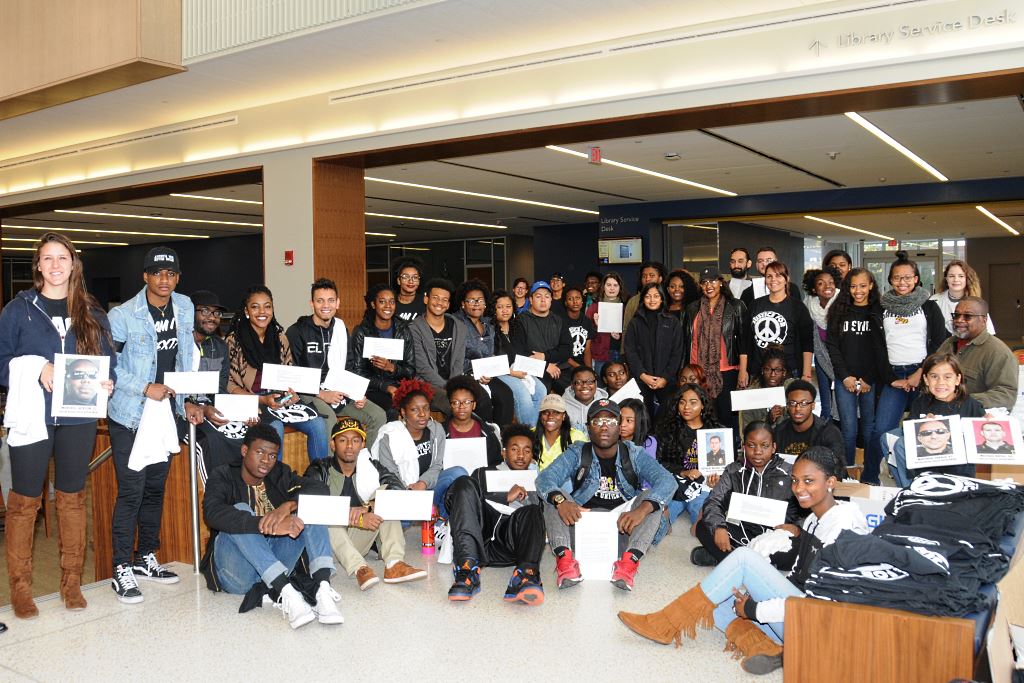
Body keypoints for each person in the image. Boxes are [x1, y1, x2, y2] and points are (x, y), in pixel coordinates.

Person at [618, 447, 868, 676]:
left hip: (824, 630)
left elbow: (821, 605)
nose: (799, 488)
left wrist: (755, 609)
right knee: (719, 601)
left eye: (809, 481)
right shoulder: (815, 519)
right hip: (803, 621)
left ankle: (667, 623)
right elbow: (799, 577)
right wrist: (756, 595)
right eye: (795, 480)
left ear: (831, 482)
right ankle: (769, 649)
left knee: (744, 561)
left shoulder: (842, 525)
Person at [0, 233, 116, 618]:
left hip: (78, 417)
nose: (54, 265)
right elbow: (2, 365)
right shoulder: (18, 310)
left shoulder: (92, 312)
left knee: (72, 498)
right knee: (24, 503)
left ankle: (71, 583)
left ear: (73, 264)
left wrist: (107, 381)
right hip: (33, 417)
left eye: (61, 258)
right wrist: (37, 367)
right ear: (37, 265)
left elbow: (106, 361)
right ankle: (20, 588)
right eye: (47, 258)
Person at [106, 246, 200, 603]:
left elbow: (188, 354)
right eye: (158, 274)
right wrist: (145, 387)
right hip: (131, 411)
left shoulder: (185, 306)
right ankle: (120, 566)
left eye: (171, 274)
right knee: (132, 489)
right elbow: (110, 365)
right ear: (145, 276)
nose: (165, 280)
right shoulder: (123, 315)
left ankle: (146, 555)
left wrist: (190, 397)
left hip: (167, 412)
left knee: (155, 489)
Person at [199, 424, 343, 629]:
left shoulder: (277, 473)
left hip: (276, 561)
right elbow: (213, 514)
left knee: (309, 506)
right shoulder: (223, 475)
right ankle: (287, 592)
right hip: (238, 574)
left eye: (272, 455)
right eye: (260, 452)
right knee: (239, 509)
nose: (266, 461)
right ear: (244, 450)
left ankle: (322, 589)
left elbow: (319, 487)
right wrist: (265, 525)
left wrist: (288, 506)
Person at [536, 398, 677, 591]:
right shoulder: (578, 451)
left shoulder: (633, 453)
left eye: (610, 422)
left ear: (619, 427)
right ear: (588, 428)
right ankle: (565, 561)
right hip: (583, 528)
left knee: (653, 499)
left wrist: (642, 511)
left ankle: (628, 563)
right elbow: (545, 479)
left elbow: (668, 481)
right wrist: (561, 501)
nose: (604, 427)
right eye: (597, 422)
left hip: (624, 529)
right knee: (553, 495)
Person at [305, 417, 426, 590]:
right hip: (327, 546)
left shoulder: (372, 467)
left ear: (362, 445)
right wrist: (351, 515)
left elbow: (397, 488)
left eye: (355, 441)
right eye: (343, 440)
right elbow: (309, 506)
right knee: (324, 514)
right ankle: (360, 568)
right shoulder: (320, 469)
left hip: (357, 541)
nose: (349, 446)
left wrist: (371, 505)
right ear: (332, 445)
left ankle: (394, 563)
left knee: (385, 497)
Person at [226, 285, 330, 464]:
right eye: (255, 306)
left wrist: (291, 394)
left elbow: (289, 372)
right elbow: (229, 384)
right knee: (275, 428)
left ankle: (319, 479)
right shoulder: (233, 340)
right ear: (246, 310)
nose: (262, 312)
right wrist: (261, 400)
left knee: (318, 424)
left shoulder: (280, 338)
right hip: (251, 402)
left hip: (277, 400)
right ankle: (275, 483)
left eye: (267, 306)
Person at [444, 424, 546, 604]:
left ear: (532, 456)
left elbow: (538, 523)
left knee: (533, 511)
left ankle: (526, 575)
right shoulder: (483, 473)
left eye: (526, 451)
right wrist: (504, 497)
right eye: (514, 449)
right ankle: (467, 572)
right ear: (504, 453)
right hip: (476, 541)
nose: (521, 455)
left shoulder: (537, 482)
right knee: (463, 482)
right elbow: (461, 504)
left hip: (510, 546)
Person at [873, 252, 949, 483]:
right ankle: (884, 479)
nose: (902, 282)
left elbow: (938, 343)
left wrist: (920, 373)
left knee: (925, 430)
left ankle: (926, 480)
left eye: (907, 277)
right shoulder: (880, 308)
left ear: (916, 279)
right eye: (897, 278)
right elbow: (877, 348)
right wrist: (891, 379)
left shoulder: (929, 306)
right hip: (894, 376)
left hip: (923, 375)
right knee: (882, 430)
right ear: (890, 280)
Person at [286, 278, 387, 448]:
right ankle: (333, 472)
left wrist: (356, 393)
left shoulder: (340, 328)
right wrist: (321, 393)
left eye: (331, 300)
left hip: (339, 389)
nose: (326, 305)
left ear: (338, 303)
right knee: (329, 419)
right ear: (312, 303)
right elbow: (293, 373)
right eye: (320, 300)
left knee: (378, 415)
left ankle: (366, 466)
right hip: (308, 393)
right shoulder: (297, 331)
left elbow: (349, 365)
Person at [692, 421, 798, 567]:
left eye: (765, 446)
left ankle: (726, 558)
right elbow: (714, 501)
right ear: (744, 446)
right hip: (741, 533)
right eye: (751, 445)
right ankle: (747, 562)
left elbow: (808, 508)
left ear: (773, 447)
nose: (758, 451)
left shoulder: (790, 473)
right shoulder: (734, 470)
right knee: (703, 526)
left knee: (800, 549)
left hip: (776, 537)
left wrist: (797, 527)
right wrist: (719, 527)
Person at [826, 268, 890, 473]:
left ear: (871, 286)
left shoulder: (880, 311)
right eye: (853, 286)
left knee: (869, 429)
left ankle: (870, 472)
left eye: (863, 286)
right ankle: (849, 472)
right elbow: (833, 347)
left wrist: (868, 379)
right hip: (845, 379)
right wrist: (844, 377)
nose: (858, 291)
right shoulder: (838, 310)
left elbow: (883, 349)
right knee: (849, 429)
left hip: (870, 381)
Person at [886, 353, 984, 487]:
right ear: (926, 380)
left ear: (957, 379)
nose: (940, 382)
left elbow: (981, 438)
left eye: (947, 377)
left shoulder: (971, 405)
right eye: (934, 376)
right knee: (897, 442)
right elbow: (908, 432)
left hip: (959, 475)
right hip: (925, 473)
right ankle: (910, 489)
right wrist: (920, 425)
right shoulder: (920, 403)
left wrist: (989, 421)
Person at [370, 379, 462, 520]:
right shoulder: (389, 437)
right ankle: (422, 515)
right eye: (414, 409)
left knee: (459, 473)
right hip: (403, 494)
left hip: (427, 488)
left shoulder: (436, 429)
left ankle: (437, 525)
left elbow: (437, 465)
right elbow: (390, 476)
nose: (422, 414)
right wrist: (413, 494)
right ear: (403, 412)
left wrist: (422, 484)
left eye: (425, 408)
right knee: (401, 520)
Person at [187, 289, 244, 479]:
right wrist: (203, 409)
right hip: (183, 412)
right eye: (204, 311)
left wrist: (243, 411)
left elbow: (220, 388)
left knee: (245, 431)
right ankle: (215, 497)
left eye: (216, 313)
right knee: (211, 441)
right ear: (190, 312)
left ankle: (239, 493)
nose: (211, 317)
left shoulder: (219, 346)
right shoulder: (179, 344)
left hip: (211, 408)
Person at [681, 266, 748, 428]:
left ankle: (730, 451)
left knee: (727, 417)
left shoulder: (736, 306)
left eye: (712, 281)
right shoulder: (692, 309)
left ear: (720, 283)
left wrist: (743, 371)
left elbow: (744, 342)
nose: (708, 285)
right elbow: (686, 342)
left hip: (728, 371)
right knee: (703, 418)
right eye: (704, 282)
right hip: (698, 372)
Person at [934, 297, 1019, 411]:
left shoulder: (998, 352)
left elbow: (1006, 395)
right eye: (956, 315)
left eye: (968, 316)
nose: (959, 320)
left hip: (975, 419)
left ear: (984, 321)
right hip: (940, 414)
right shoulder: (948, 344)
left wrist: (961, 400)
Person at [655, 384, 720, 533]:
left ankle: (701, 521)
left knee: (700, 507)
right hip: (677, 482)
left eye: (693, 402)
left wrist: (715, 478)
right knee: (663, 514)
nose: (686, 407)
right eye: (682, 402)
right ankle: (663, 520)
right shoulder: (669, 430)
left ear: (703, 405)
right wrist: (683, 472)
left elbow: (724, 465)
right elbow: (659, 463)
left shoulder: (715, 432)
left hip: (704, 485)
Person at [347, 284, 415, 417]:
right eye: (382, 302)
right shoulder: (362, 332)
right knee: (391, 410)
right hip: (372, 388)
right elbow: (358, 373)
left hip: (399, 386)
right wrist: (385, 387)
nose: (388, 306)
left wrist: (392, 368)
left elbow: (411, 371)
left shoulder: (403, 330)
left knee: (418, 404)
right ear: (373, 304)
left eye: (392, 302)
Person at [452, 279, 512, 424]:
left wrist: (489, 372)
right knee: (483, 402)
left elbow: (490, 354)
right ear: (463, 303)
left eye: (480, 300)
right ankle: (487, 438)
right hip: (466, 374)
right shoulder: (455, 323)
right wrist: (475, 373)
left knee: (506, 394)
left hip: (487, 374)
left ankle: (501, 438)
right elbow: (456, 357)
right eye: (471, 300)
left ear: (485, 303)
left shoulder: (489, 323)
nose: (477, 303)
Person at [408, 278, 467, 415]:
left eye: (445, 300)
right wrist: (448, 387)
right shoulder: (414, 329)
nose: (440, 303)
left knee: (480, 398)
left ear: (448, 304)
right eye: (435, 298)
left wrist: (455, 385)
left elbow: (459, 362)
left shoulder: (459, 328)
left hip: (454, 382)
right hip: (426, 383)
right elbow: (422, 367)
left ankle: (487, 431)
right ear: (426, 299)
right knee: (454, 404)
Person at [746, 261, 813, 380]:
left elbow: (807, 343)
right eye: (769, 276)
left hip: (790, 371)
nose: (773, 280)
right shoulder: (754, 305)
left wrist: (806, 374)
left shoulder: (798, 307)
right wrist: (743, 370)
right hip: (758, 371)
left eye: (778, 275)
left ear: (787, 278)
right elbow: (745, 341)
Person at [624, 282, 684, 414]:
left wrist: (665, 378)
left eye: (656, 296)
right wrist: (643, 375)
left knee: (667, 417)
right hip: (642, 380)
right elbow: (630, 351)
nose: (652, 300)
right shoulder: (635, 323)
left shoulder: (672, 322)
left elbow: (677, 351)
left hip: (666, 381)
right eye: (648, 296)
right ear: (643, 299)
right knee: (643, 418)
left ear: (662, 298)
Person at [491, 289, 546, 425]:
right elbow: (490, 360)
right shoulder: (489, 328)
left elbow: (524, 351)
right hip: (501, 372)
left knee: (541, 390)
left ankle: (535, 429)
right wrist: (512, 372)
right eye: (500, 307)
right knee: (523, 394)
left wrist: (535, 364)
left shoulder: (516, 326)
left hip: (520, 368)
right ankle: (529, 433)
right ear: (493, 309)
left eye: (508, 306)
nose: (505, 310)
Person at [517, 280, 572, 387]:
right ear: (531, 300)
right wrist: (544, 365)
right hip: (533, 370)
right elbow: (520, 351)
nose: (543, 300)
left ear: (551, 299)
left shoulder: (558, 320)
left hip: (559, 368)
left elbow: (567, 349)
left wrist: (544, 356)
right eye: (538, 296)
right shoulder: (521, 320)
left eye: (547, 296)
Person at [772, 381, 844, 460]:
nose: (798, 408)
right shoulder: (779, 432)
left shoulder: (829, 432)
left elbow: (837, 466)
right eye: (793, 403)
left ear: (813, 406)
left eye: (804, 403)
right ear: (787, 406)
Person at [443, 375, 503, 469]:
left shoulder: (488, 432)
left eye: (467, 402)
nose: (461, 406)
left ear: (474, 405)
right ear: (450, 405)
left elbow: (496, 463)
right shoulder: (440, 432)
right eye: (456, 402)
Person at [802, 268, 837, 422]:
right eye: (821, 283)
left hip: (840, 360)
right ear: (814, 288)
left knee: (840, 398)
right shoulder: (809, 304)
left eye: (831, 282)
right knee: (825, 399)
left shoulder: (842, 302)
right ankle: (825, 425)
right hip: (821, 358)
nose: (827, 286)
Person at [931, 260, 994, 335]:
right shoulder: (934, 300)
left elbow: (989, 333)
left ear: (967, 279)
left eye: (961, 276)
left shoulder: (976, 304)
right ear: (946, 278)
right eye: (951, 276)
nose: (956, 280)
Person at [736, 346, 790, 434]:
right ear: (762, 370)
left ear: (784, 373)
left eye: (778, 370)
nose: (773, 374)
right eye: (768, 369)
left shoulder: (790, 391)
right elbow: (746, 431)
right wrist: (768, 419)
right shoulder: (750, 394)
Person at [586, 272, 627, 376]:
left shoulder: (626, 308)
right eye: (608, 285)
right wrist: (595, 326)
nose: (612, 288)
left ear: (620, 287)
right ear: (603, 287)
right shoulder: (594, 308)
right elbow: (585, 334)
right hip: (600, 354)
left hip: (620, 354)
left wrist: (620, 336)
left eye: (615, 285)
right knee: (600, 385)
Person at [740, 247, 802, 311]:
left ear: (776, 262)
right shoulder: (747, 292)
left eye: (768, 260)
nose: (764, 264)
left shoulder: (792, 288)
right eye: (760, 261)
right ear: (756, 265)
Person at [534, 394, 587, 469]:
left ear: (564, 416)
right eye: (546, 412)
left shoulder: (576, 436)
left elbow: (586, 465)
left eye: (556, 412)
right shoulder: (530, 435)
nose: (550, 416)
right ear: (540, 415)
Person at [561, 286, 595, 391]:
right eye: (571, 299)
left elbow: (587, 350)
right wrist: (579, 368)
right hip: (565, 365)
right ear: (566, 302)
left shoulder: (587, 322)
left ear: (582, 301)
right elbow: (560, 352)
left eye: (578, 298)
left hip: (581, 365)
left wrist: (589, 371)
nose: (575, 302)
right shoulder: (559, 321)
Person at [622, 261, 666, 336]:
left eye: (651, 276)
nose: (647, 279)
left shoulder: (667, 298)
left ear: (660, 279)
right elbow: (626, 329)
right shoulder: (633, 301)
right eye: (644, 276)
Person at [562, 365, 608, 433]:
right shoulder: (562, 407)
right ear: (572, 385)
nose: (585, 386)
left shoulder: (606, 405)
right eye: (579, 382)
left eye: (589, 382)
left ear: (596, 383)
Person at [392, 256, 426, 322]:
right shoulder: (391, 303)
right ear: (399, 280)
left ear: (419, 281)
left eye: (415, 277)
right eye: (406, 277)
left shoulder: (425, 302)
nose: (411, 281)